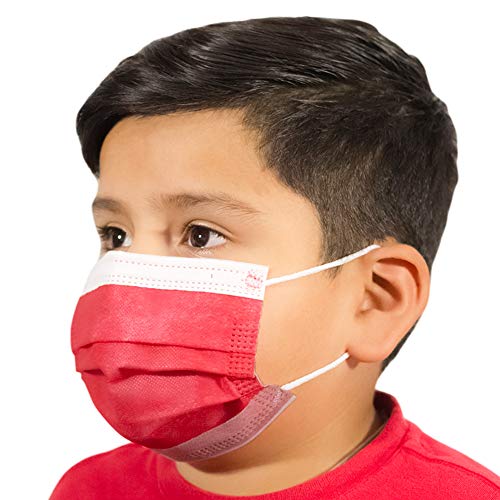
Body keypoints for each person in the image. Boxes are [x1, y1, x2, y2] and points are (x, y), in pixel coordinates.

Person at [49, 16, 500, 499]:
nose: (126, 288)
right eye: (116, 236)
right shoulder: (88, 489)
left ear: (376, 299)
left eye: (200, 235)